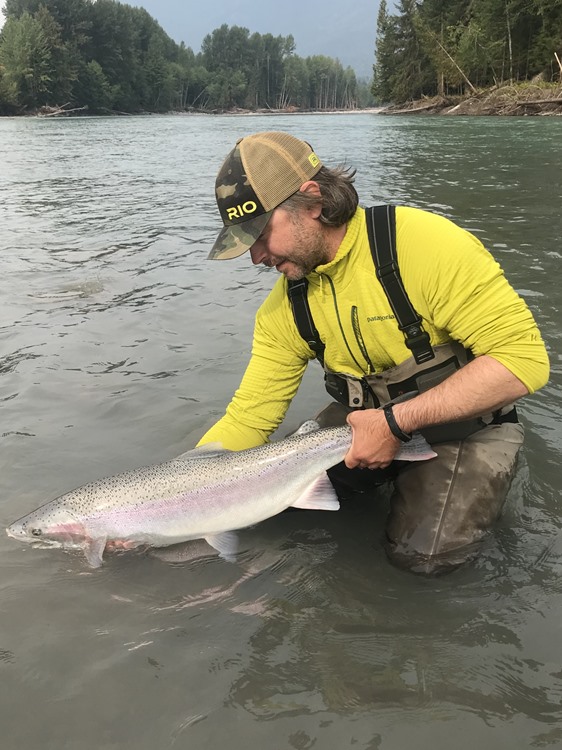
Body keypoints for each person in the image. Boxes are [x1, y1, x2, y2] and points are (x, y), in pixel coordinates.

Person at [197, 130, 549, 574]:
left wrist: (395, 423)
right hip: (359, 429)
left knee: (422, 559)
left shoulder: (427, 246)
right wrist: (149, 506)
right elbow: (249, 418)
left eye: (260, 234)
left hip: (466, 429)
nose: (255, 257)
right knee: (267, 510)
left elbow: (524, 362)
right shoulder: (283, 308)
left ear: (312, 203)